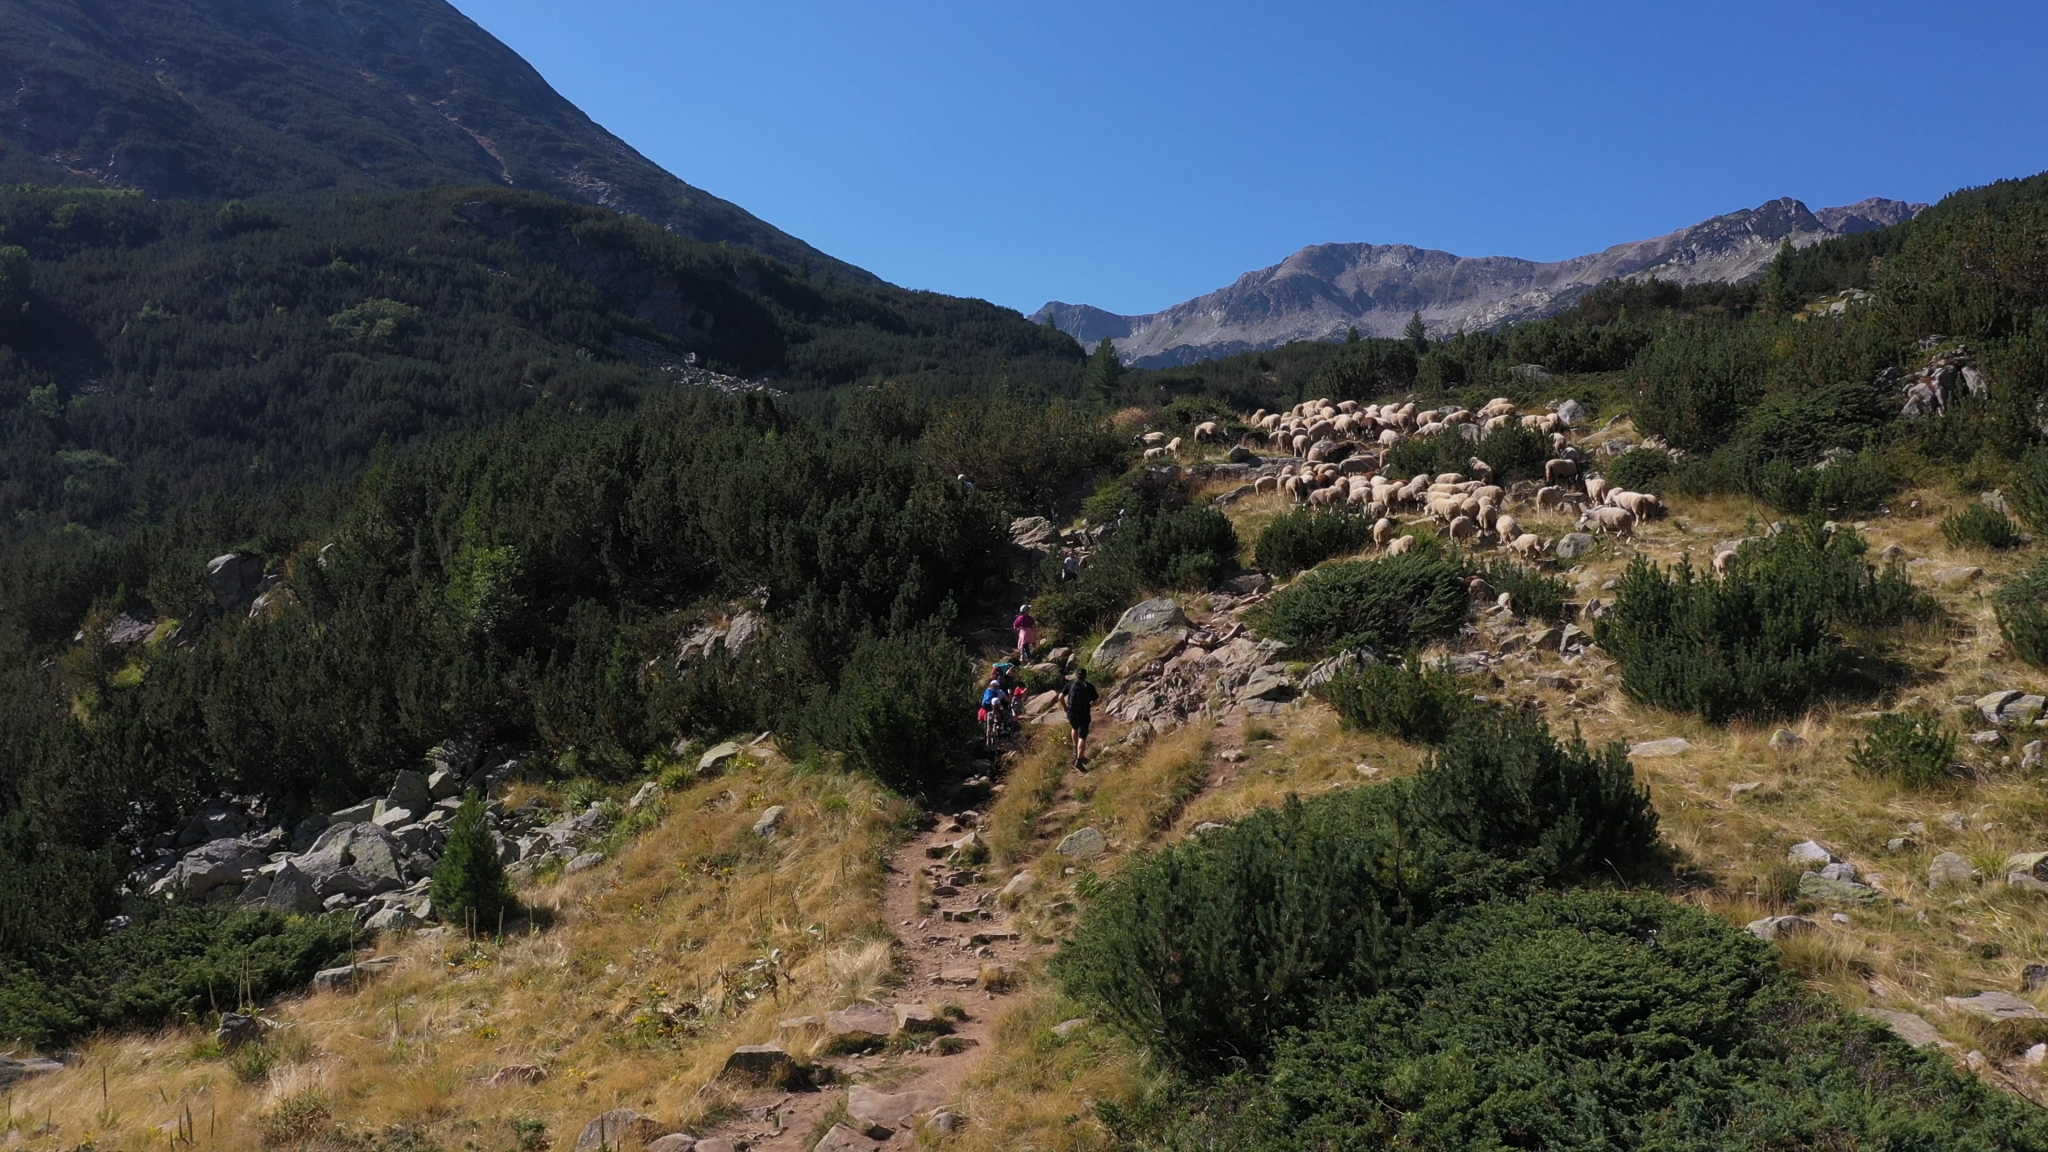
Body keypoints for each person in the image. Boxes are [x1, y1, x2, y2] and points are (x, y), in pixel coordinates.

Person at [1062, 666, 1099, 770]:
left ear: (1076, 675)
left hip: (1071, 713)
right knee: (1082, 737)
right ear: (1085, 676)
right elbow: (1095, 699)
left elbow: (1060, 697)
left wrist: (1065, 707)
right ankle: (1079, 760)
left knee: (1074, 728)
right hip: (1084, 714)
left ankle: (1076, 749)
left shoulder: (1070, 684)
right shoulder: (1088, 686)